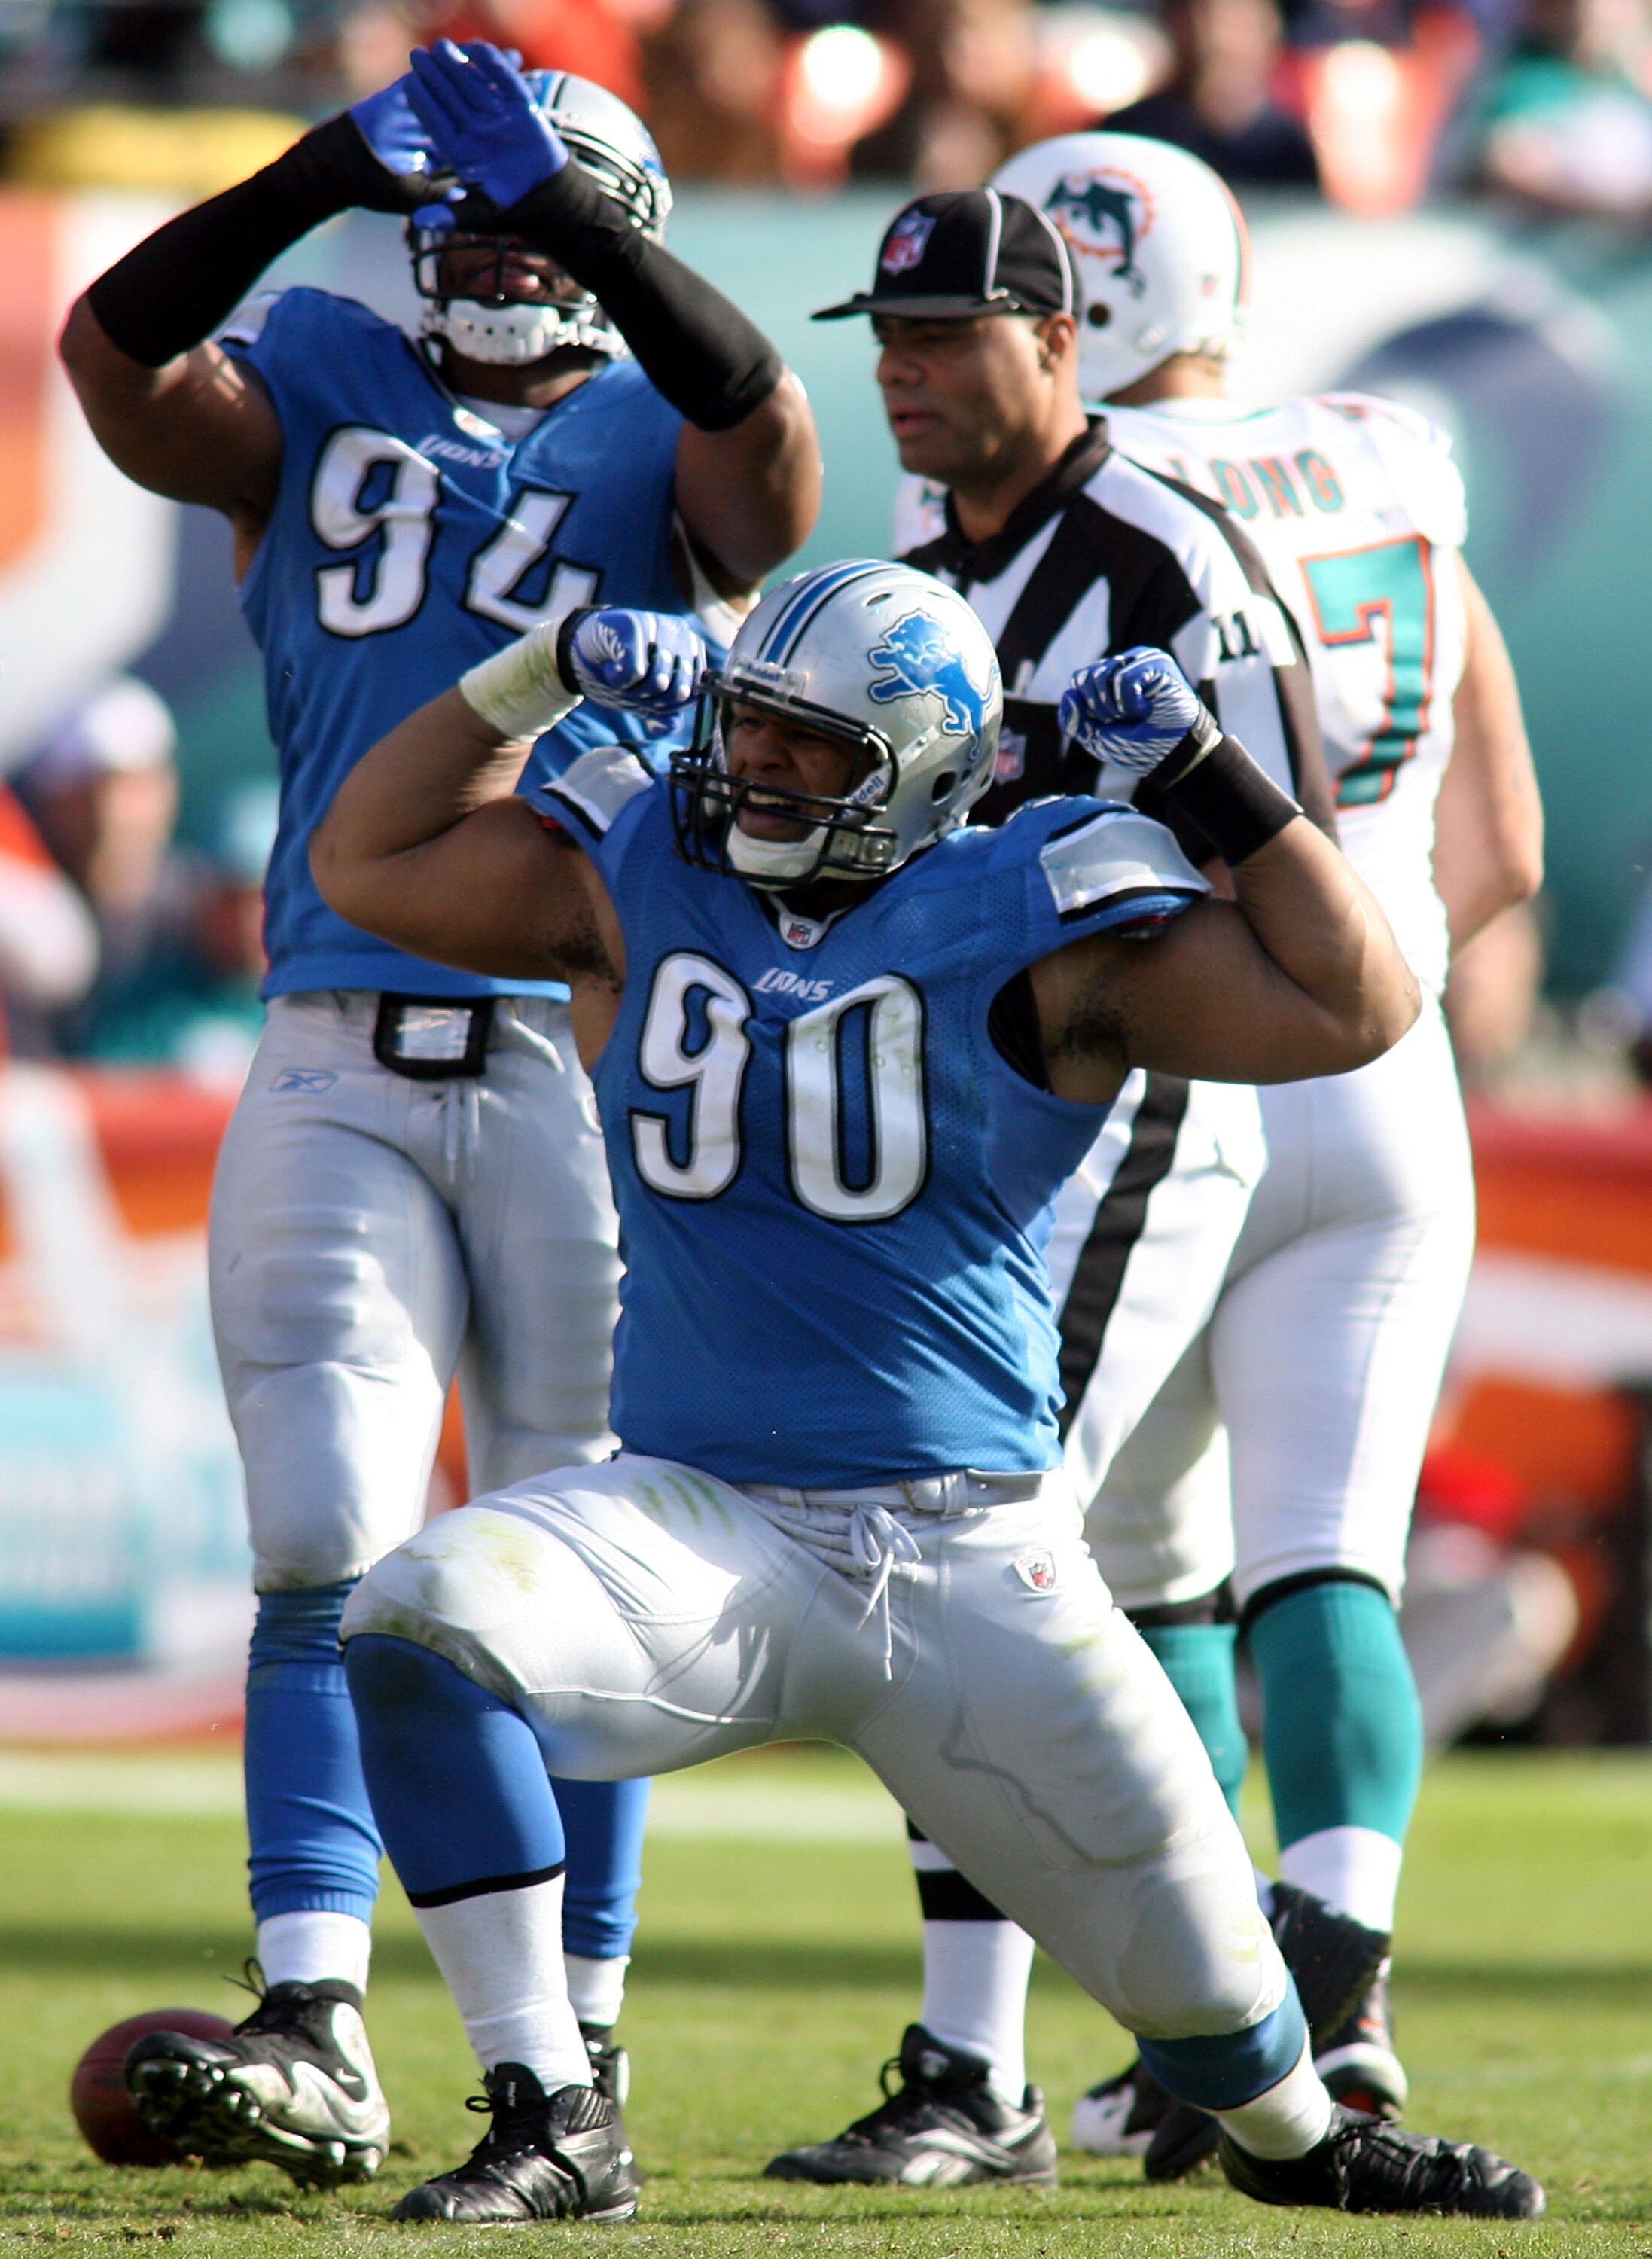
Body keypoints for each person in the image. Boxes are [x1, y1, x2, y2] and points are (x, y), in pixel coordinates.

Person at [307, 571, 1539, 2227]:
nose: (748, 765)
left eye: (805, 747)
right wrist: (529, 674)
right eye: (742, 721)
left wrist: (1204, 779)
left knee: (1227, 2035)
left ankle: (1306, 2150)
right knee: (415, 1624)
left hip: (970, 1557)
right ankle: (554, 2105)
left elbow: (1360, 1003)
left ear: (921, 767)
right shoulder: (642, 868)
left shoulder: (1033, 905)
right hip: (706, 1519)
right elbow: (359, 860)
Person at [61, 37, 818, 2185]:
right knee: (320, 1536)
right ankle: (317, 2006)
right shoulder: (317, 367)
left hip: (588, 1050)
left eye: (537, 221)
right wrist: (311, 166)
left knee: (579, 1556)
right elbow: (112, 355)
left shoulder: (656, 426)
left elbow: (769, 454)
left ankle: (575, 2033)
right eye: (465, 214)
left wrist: (584, 209)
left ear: (615, 246)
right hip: (332, 1035)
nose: (489, 249)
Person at [881, 128, 1543, 2181]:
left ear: (1076, 312)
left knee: (1045, 1542)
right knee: (1318, 1555)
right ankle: (1324, 1996)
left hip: (1178, 1044)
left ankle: (1001, 2049)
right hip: (1389, 1044)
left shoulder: (1112, 514)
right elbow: (1500, 845)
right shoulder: (1377, 458)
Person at [769, 180, 1340, 2189]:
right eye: (887, 345)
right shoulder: (934, 554)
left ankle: (980, 2071)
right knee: (1058, 1564)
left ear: (1059, 343)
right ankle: (1173, 2043)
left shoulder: (1166, 550)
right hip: (977, 1105)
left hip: (1124, 1100)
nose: (902, 379)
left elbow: (1289, 835)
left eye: (942, 342)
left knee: (966, 1536)